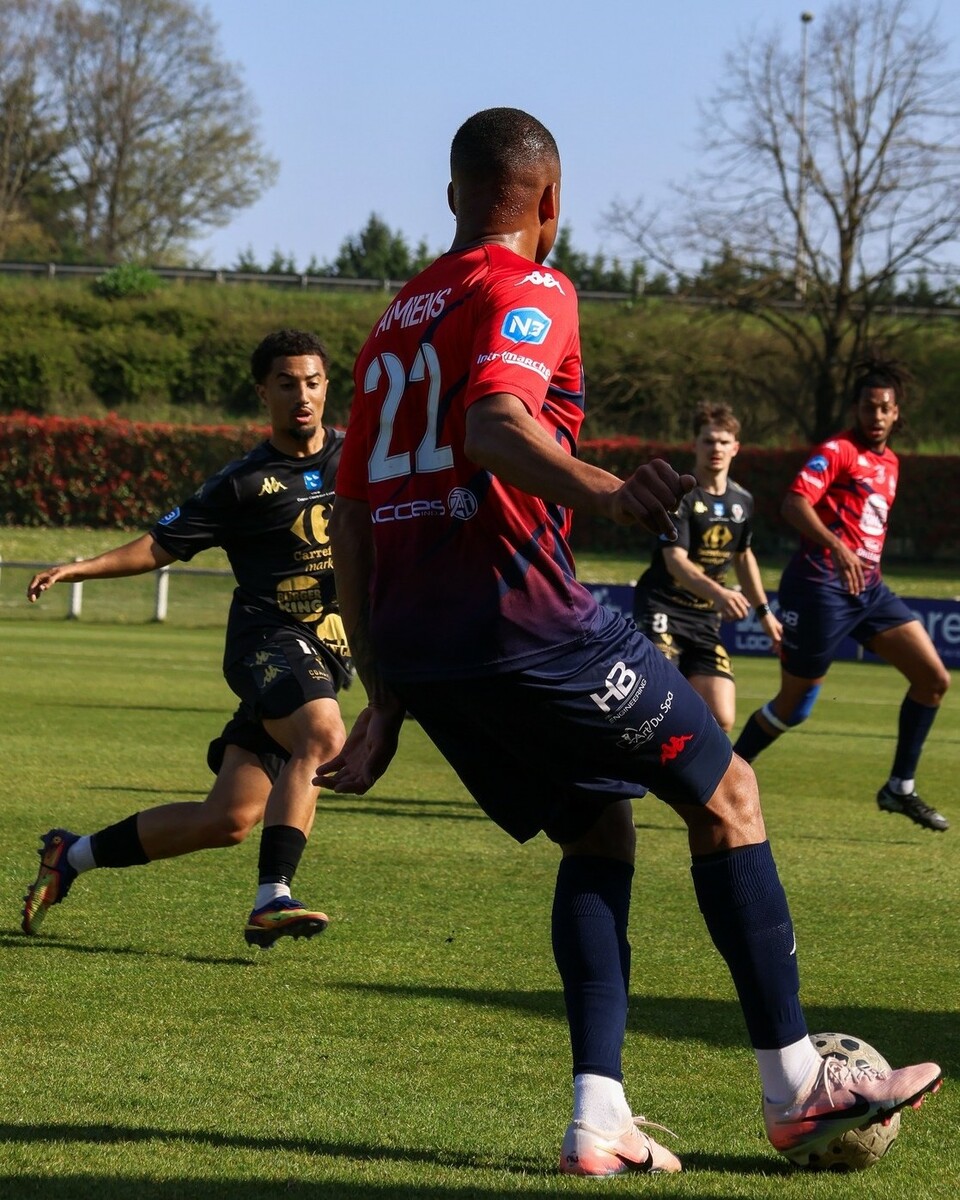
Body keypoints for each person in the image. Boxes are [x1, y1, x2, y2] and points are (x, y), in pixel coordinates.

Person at [314, 108, 941, 1175]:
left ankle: (598, 1115)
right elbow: (495, 424)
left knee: (599, 830)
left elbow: (353, 516)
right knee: (729, 795)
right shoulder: (532, 285)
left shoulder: (388, 328)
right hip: (525, 622)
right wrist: (606, 489)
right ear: (551, 201)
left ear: (452, 195)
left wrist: (385, 691)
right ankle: (797, 1085)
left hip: (423, 648)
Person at [21, 328, 350, 947]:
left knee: (227, 819)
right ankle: (273, 897)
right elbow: (157, 545)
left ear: (327, 386)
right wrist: (78, 568)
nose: (301, 395)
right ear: (263, 393)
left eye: (312, 382)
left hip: (326, 653)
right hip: (267, 641)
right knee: (324, 738)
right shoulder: (242, 483)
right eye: (286, 384)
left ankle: (71, 855)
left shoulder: (361, 456)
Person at [733, 360, 950, 832]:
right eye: (869, 407)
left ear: (896, 413)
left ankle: (899, 788)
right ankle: (720, 779)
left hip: (868, 589)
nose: (877, 416)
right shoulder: (837, 451)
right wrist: (837, 546)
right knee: (794, 706)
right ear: (857, 409)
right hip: (820, 588)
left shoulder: (891, 463)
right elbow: (794, 503)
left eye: (885, 408)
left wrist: (860, 560)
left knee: (933, 679)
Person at [633, 403, 782, 731]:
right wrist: (721, 594)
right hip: (663, 609)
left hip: (704, 620)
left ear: (735, 448)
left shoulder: (742, 501)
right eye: (709, 441)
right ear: (695, 445)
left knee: (722, 718)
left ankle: (687, 764)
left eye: (724, 442)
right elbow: (676, 562)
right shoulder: (679, 497)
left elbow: (743, 556)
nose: (716, 448)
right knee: (656, 706)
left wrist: (764, 613)